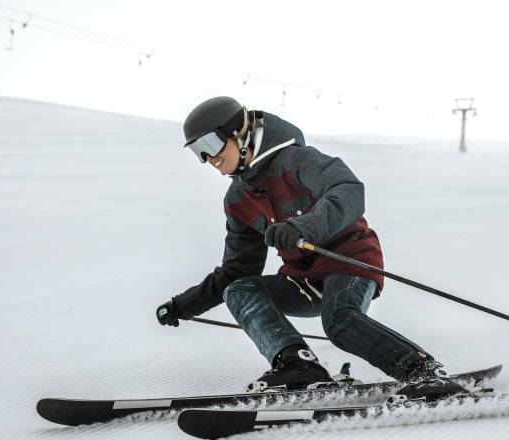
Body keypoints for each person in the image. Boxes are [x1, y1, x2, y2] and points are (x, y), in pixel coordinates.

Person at [156, 96, 465, 399]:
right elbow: (237, 269)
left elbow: (349, 190)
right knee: (239, 289)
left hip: (349, 260)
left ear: (241, 133)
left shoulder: (296, 160)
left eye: (210, 145)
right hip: (303, 278)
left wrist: (300, 228)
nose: (209, 160)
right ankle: (298, 364)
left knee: (339, 320)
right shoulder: (238, 199)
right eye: (199, 152)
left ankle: (422, 372)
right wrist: (185, 305)